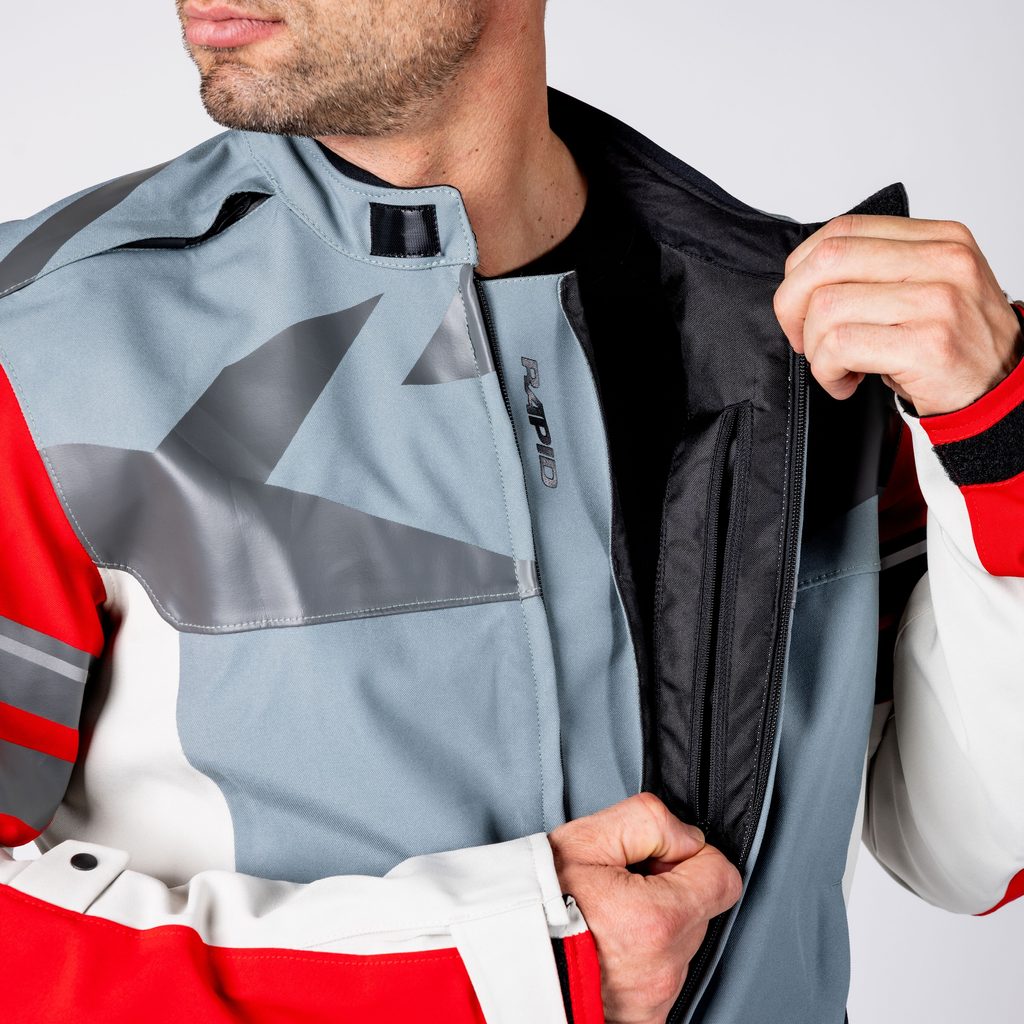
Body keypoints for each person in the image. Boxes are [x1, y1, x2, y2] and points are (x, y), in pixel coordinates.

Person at [1, 1, 1021, 1021]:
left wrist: (999, 444)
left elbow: (969, 853)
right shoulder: (44, 348)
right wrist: (496, 969)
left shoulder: (796, 334)